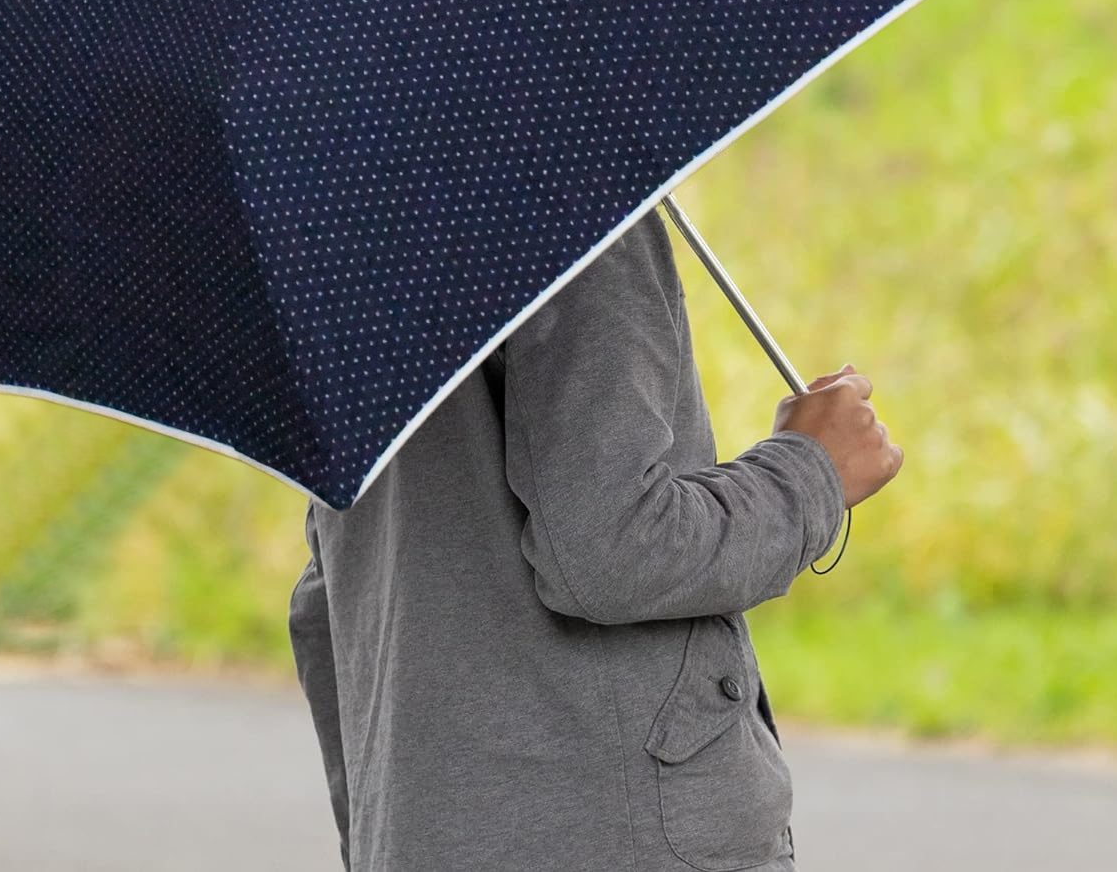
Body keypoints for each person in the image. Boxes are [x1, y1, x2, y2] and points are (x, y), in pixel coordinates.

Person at [288, 202, 903, 872]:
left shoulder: (332, 223)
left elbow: (328, 599)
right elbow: (613, 551)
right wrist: (810, 471)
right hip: (614, 833)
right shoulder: (568, 192)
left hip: (418, 830)